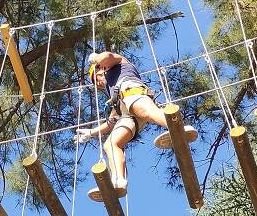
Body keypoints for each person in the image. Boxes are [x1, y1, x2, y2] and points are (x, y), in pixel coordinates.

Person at [75, 51, 197, 202]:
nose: (97, 84)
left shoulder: (120, 64)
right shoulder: (112, 92)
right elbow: (111, 122)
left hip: (131, 90)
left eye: (96, 78)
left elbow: (108, 56)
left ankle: (179, 129)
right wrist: (92, 132)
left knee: (145, 110)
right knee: (111, 144)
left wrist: (96, 59)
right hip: (126, 113)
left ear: (101, 68)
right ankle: (118, 182)